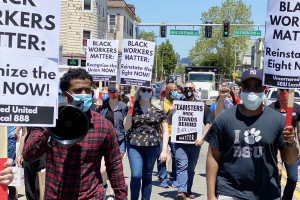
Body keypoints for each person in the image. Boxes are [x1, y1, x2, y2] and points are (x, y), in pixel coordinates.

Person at [23, 68, 127, 199]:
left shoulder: (104, 126)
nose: (84, 94)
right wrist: (51, 131)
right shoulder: (49, 121)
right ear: (66, 95)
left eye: (88, 90)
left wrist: (121, 196)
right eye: (78, 91)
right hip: (56, 196)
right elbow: (28, 155)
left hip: (90, 195)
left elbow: (115, 165)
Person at [204, 69, 299, 200]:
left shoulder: (278, 120)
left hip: (267, 193)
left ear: (265, 90)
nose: (252, 92)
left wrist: (291, 143)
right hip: (230, 191)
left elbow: (290, 160)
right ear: (240, 89)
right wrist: (211, 196)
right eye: (247, 87)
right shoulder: (224, 119)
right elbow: (212, 157)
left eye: (257, 87)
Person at [168, 82, 211, 200]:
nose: (188, 90)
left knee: (190, 168)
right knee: (181, 166)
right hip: (179, 143)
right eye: (185, 88)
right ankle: (181, 192)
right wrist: (171, 112)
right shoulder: (177, 104)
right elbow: (169, 122)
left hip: (195, 143)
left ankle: (187, 190)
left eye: (190, 88)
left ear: (194, 90)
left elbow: (209, 122)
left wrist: (202, 138)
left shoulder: (201, 105)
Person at [124, 87, 169, 200]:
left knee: (147, 176)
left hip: (152, 146)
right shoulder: (132, 106)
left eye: (148, 90)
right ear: (139, 91)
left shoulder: (158, 108)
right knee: (136, 175)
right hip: (134, 145)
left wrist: (164, 151)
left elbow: (165, 130)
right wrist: (130, 110)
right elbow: (126, 126)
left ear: (152, 92)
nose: (146, 92)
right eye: (143, 90)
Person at [97, 83, 131, 199]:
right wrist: (97, 107)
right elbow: (95, 121)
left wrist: (126, 145)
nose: (114, 92)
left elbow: (126, 127)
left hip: (119, 141)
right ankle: (104, 186)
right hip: (103, 142)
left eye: (117, 90)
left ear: (120, 91)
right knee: (102, 169)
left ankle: (111, 194)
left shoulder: (123, 106)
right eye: (111, 90)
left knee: (114, 169)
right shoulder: (102, 106)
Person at [269, 88, 300, 200]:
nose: (284, 92)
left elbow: (299, 132)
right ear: (277, 90)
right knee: (277, 176)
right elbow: (271, 137)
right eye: (281, 89)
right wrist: (278, 160)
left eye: (287, 89)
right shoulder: (271, 109)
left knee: (292, 178)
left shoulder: (297, 108)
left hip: (290, 148)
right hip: (275, 149)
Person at [157, 83, 182, 188]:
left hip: (176, 134)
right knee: (162, 157)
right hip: (163, 133)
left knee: (177, 156)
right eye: (173, 90)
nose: (176, 92)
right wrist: (170, 112)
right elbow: (160, 119)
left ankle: (174, 177)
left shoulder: (181, 102)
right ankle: (162, 178)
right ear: (167, 91)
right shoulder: (160, 103)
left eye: (177, 90)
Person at [17, 127, 46, 200]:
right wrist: (19, 154)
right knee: (29, 184)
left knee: (40, 184)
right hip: (28, 150)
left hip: (43, 151)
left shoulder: (48, 117)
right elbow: (24, 134)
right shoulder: (30, 117)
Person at [7, 126, 21, 199]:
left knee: (9, 165)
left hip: (9, 136)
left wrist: (16, 131)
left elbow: (23, 116)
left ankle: (12, 190)